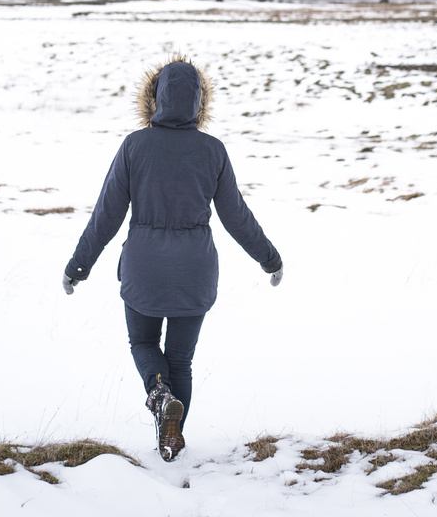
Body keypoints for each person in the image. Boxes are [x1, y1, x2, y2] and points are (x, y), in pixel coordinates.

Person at [63, 56, 282, 461]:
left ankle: (159, 396)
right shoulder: (213, 151)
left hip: (143, 271)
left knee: (143, 341)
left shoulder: (134, 146)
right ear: (200, 103)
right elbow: (236, 215)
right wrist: (269, 258)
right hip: (194, 273)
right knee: (181, 358)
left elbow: (106, 214)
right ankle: (171, 435)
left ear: (154, 99)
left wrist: (79, 265)